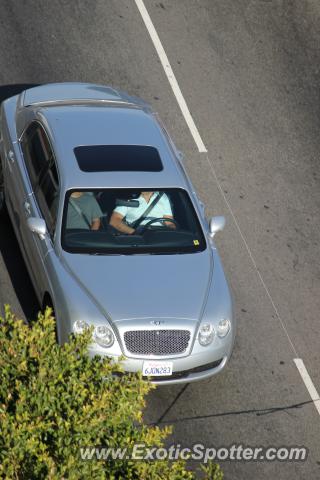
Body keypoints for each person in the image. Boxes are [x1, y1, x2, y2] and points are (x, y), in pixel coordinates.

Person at [109, 191, 175, 234]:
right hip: (137, 234)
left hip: (159, 233)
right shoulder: (129, 197)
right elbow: (114, 221)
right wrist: (135, 233)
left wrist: (172, 232)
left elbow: (169, 222)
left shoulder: (162, 196)